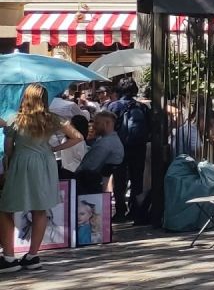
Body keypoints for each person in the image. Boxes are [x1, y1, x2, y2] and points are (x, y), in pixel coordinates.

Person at [1, 84, 82, 271]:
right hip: (45, 162)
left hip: (22, 163)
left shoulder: (16, 119)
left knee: (6, 208)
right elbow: (77, 137)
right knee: (40, 209)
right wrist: (53, 149)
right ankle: (32, 255)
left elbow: (8, 149)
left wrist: (8, 166)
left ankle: (9, 257)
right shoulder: (52, 119)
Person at [107, 79, 152, 224]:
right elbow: (151, 127)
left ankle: (120, 212)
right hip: (138, 148)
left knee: (119, 181)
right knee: (137, 179)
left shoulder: (114, 106)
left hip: (119, 148)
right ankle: (136, 211)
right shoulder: (142, 107)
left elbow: (108, 128)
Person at [73, 111, 125, 193]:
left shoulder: (105, 144)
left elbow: (89, 167)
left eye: (97, 123)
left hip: (91, 185)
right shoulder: (109, 140)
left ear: (106, 124)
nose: (93, 126)